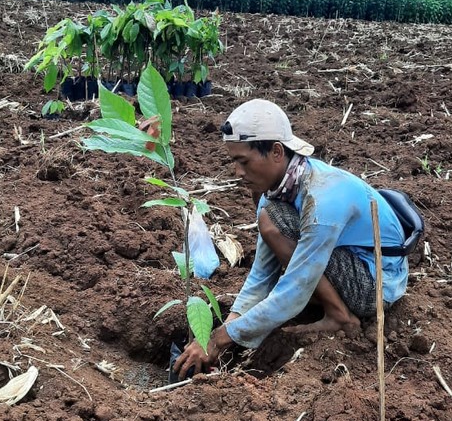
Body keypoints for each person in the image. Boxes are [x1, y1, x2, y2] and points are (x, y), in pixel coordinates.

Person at [173, 99, 409, 379]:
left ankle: (340, 317)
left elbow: (296, 287)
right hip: (348, 267)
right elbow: (261, 276)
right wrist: (227, 328)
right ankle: (333, 307)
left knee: (273, 227)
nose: (237, 172)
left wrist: (219, 339)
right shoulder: (275, 194)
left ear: (276, 151)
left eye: (243, 161)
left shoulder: (322, 199)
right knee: (271, 221)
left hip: (376, 284)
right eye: (233, 161)